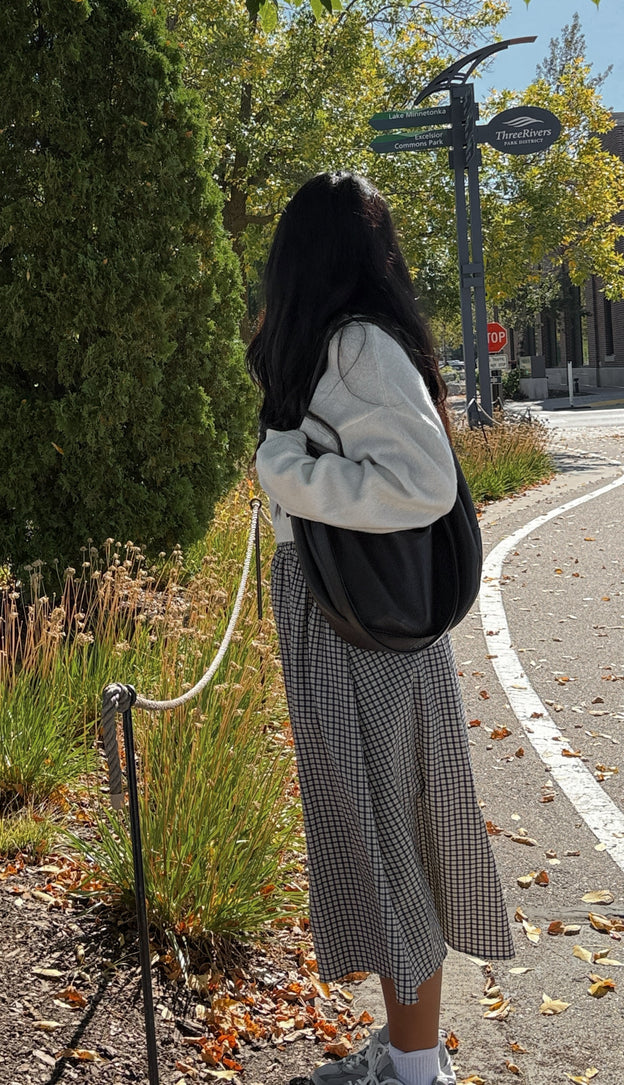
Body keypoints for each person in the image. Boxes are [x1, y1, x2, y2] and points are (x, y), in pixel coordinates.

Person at [246, 173, 513, 1085]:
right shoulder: (345, 345)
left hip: (360, 634)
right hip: (347, 623)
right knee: (377, 830)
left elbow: (422, 483)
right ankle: (410, 1048)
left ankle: (415, 1069)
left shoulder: (356, 346)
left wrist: (285, 471)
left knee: (393, 833)